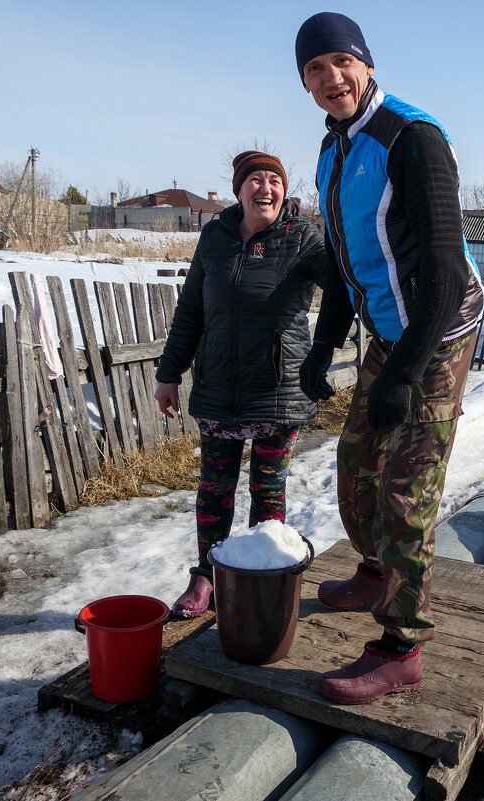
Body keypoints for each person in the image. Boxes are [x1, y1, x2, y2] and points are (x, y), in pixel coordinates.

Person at [294, 12, 484, 704]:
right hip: (388, 328)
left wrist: (406, 372)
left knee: (407, 487)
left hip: (438, 328)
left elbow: (440, 268)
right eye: (314, 70)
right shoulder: (334, 149)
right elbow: (349, 262)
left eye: (340, 62)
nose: (329, 77)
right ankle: (376, 570)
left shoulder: (412, 138)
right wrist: (325, 343)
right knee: (355, 460)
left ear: (366, 64)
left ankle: (403, 645)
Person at [155, 150, 327, 618]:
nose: (265, 188)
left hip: (279, 389)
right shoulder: (215, 236)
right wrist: (169, 373)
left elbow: (345, 285)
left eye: (274, 179)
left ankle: (259, 579)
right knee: (215, 487)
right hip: (218, 388)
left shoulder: (303, 238)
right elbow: (191, 309)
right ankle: (208, 575)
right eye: (255, 179)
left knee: (268, 489)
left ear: (284, 191)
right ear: (239, 189)